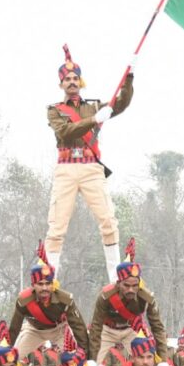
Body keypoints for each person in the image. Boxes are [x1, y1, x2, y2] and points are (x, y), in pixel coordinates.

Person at [45, 44, 134, 281]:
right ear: (61, 84)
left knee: (108, 221)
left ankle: (115, 278)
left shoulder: (94, 106)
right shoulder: (55, 111)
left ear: (80, 81)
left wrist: (128, 80)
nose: (72, 82)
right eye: (67, 79)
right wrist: (94, 119)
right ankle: (49, 280)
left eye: (75, 78)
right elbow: (65, 132)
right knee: (57, 227)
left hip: (91, 168)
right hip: (65, 169)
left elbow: (121, 104)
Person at [87, 239, 168, 366]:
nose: (131, 290)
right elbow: (96, 327)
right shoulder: (105, 296)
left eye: (135, 285)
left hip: (131, 330)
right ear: (118, 283)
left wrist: (163, 361)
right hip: (107, 330)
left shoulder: (146, 297)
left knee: (147, 362)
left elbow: (158, 328)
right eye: (126, 285)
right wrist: (91, 359)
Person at [9, 241, 91, 365]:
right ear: (33, 285)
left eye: (48, 284)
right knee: (11, 359)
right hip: (34, 331)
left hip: (59, 331)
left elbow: (78, 326)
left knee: (75, 362)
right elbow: (14, 328)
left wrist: (86, 356)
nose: (44, 288)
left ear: (53, 284)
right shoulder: (24, 300)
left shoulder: (65, 299)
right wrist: (5, 350)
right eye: (40, 284)